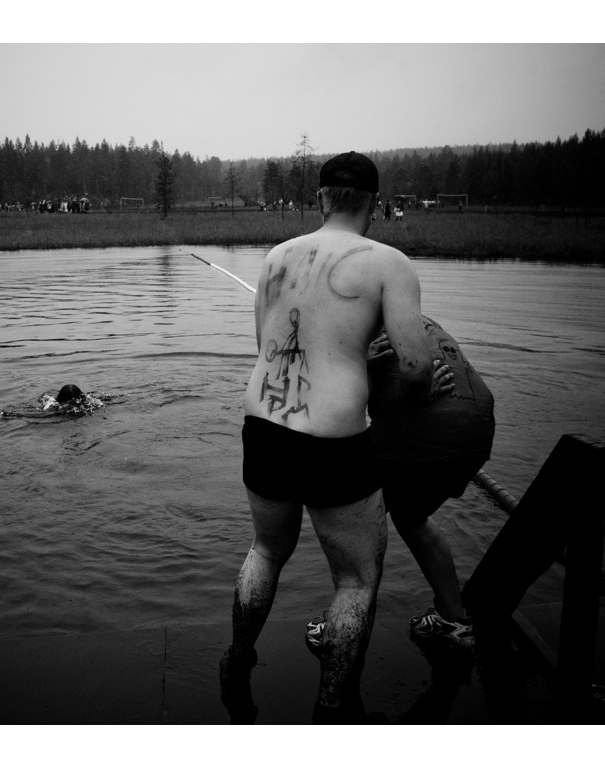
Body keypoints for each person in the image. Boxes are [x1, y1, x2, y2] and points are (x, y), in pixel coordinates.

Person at [220, 151, 435, 723]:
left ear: (319, 199)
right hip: (334, 438)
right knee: (356, 579)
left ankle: (237, 659)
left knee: (266, 550)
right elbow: (416, 368)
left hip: (263, 423)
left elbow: (261, 347)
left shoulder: (273, 258)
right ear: (375, 204)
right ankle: (334, 702)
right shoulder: (389, 263)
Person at [307, 317, 494, 653]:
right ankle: (454, 621)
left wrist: (354, 366)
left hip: (421, 428)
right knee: (411, 515)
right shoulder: (412, 316)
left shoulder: (349, 321)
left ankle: (346, 622)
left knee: (357, 521)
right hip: (477, 426)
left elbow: (336, 400)